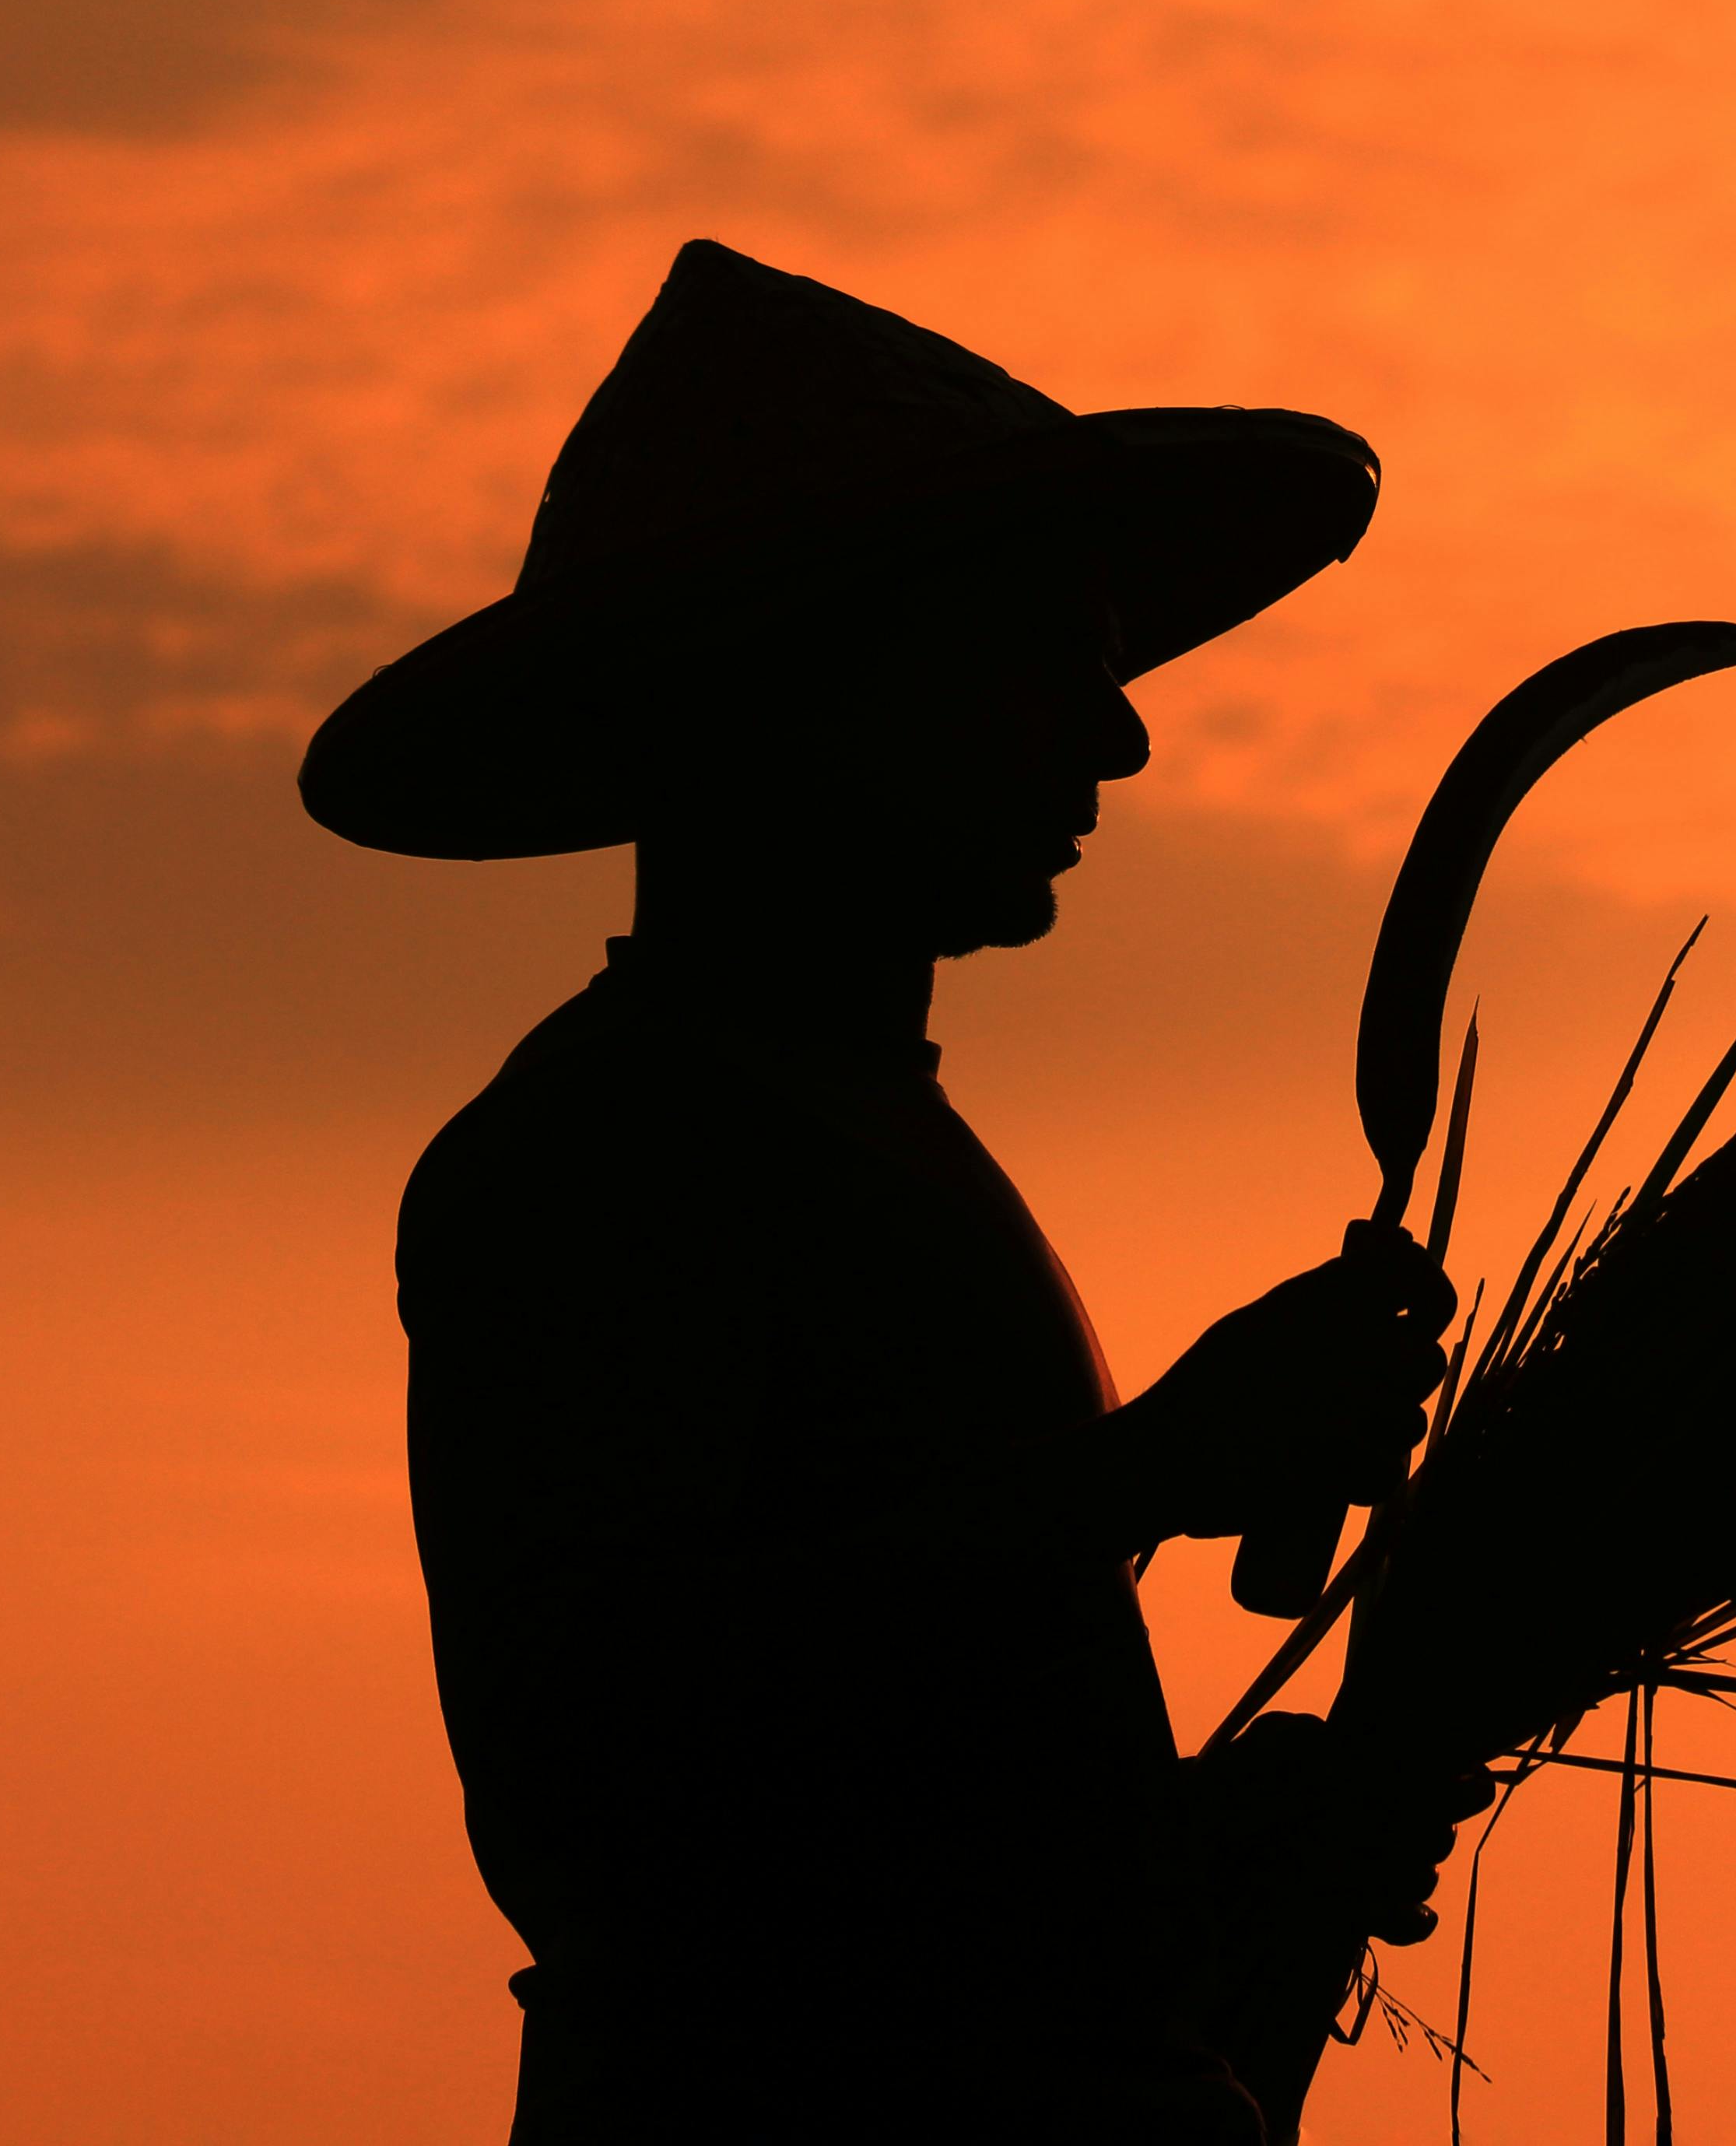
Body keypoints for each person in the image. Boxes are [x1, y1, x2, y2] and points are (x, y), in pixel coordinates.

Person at [302, 241, 1475, 2142]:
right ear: (797, 692)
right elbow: (602, 1790)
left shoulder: (848, 1136)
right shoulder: (611, 1153)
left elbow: (869, 1833)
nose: (1119, 732)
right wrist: (1159, 1471)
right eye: (1036, 660)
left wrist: (1190, 1855)